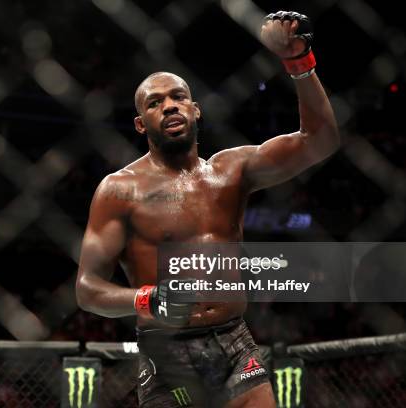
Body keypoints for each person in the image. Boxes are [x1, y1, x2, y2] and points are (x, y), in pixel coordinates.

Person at [76, 11, 339, 408]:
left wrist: (298, 62)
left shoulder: (233, 170)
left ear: (195, 109)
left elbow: (320, 140)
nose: (169, 107)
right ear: (140, 124)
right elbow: (88, 289)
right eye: (155, 103)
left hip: (235, 344)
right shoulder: (119, 189)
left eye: (178, 97)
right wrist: (146, 298)